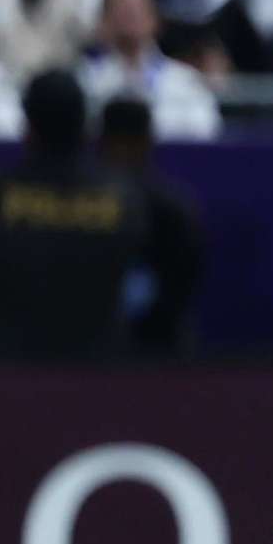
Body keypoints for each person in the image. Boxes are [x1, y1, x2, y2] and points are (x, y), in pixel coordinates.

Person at [0, 71, 150, 358]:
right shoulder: (128, 197)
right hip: (104, 371)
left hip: (10, 372)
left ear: (28, 126)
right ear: (86, 125)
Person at [93, 92, 203, 350]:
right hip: (122, 347)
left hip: (152, 345)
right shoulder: (175, 205)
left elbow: (182, 285)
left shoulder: (171, 209)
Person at [73, 0, 222, 136]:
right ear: (105, 18)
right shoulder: (86, 82)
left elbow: (205, 140)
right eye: (122, 7)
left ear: (155, 17)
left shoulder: (186, 84)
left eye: (138, 6)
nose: (131, 15)